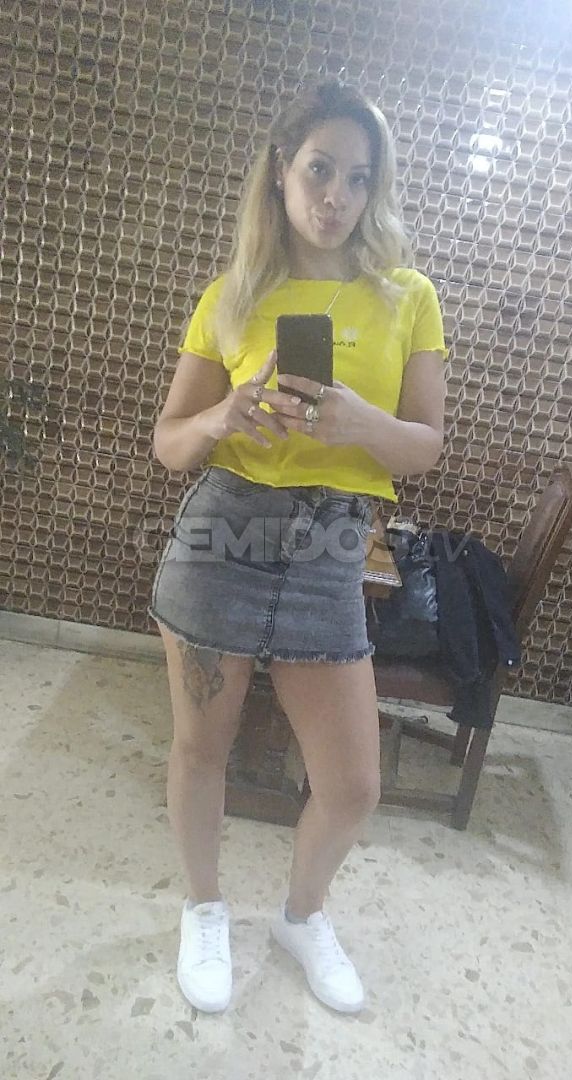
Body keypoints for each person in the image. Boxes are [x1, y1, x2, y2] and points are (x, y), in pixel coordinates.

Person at [148, 78, 448, 1015]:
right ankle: (203, 908)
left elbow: (425, 446)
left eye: (359, 178)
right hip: (223, 532)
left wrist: (360, 423)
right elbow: (169, 442)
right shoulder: (230, 298)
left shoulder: (409, 297)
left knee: (352, 785)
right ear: (281, 171)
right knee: (202, 748)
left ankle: (301, 916)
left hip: (331, 552)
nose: (337, 196)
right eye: (320, 169)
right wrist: (225, 415)